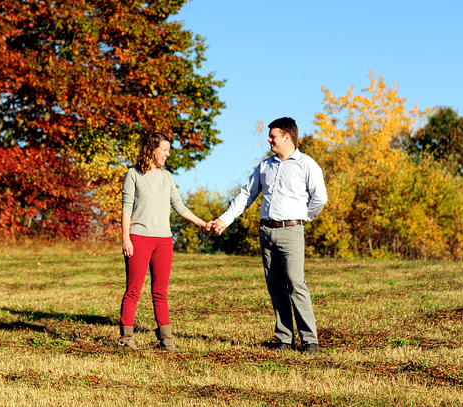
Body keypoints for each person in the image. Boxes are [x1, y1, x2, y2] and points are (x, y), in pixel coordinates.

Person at [208, 117, 327, 353]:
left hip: (291, 231)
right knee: (274, 285)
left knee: (295, 283)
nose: (268, 139)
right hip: (266, 231)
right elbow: (246, 195)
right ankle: (284, 339)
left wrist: (302, 218)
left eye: (272, 136)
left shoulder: (307, 165)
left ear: (286, 137)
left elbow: (320, 198)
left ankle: (309, 341)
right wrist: (225, 219)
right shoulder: (265, 166)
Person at [119, 131, 208, 351]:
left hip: (164, 240)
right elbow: (126, 208)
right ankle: (126, 338)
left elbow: (179, 205)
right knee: (134, 290)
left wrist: (201, 223)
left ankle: (167, 341)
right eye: (164, 150)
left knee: (161, 292)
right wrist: (126, 238)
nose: (167, 154)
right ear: (152, 149)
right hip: (139, 238)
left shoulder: (166, 176)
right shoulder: (133, 174)